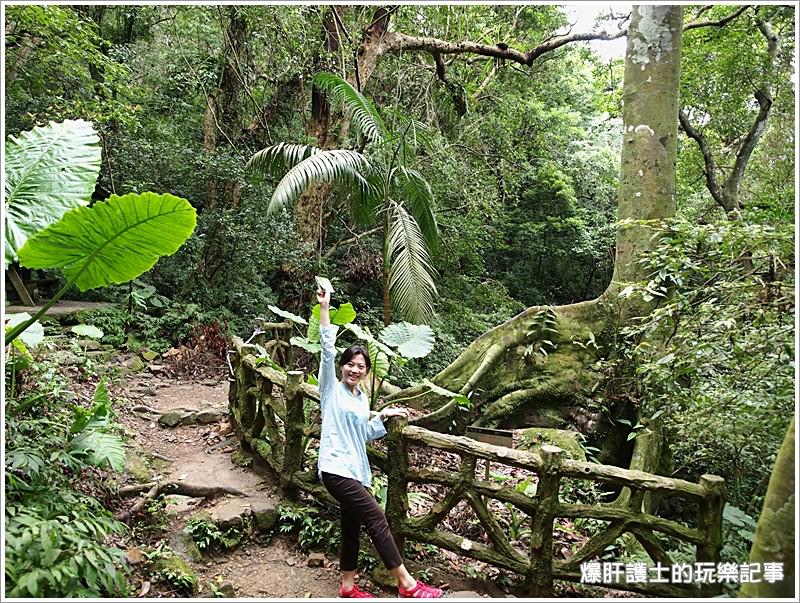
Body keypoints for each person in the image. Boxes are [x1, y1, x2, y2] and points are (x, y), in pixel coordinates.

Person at [316, 287, 444, 599]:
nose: (354, 369)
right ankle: (408, 585)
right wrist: (325, 308)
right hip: (335, 468)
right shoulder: (331, 389)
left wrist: (384, 417)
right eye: (350, 364)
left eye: (360, 366)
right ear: (343, 366)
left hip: (354, 470)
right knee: (376, 519)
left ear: (366, 371)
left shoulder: (361, 399)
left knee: (351, 527)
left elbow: (365, 433)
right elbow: (327, 350)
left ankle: (347, 587)